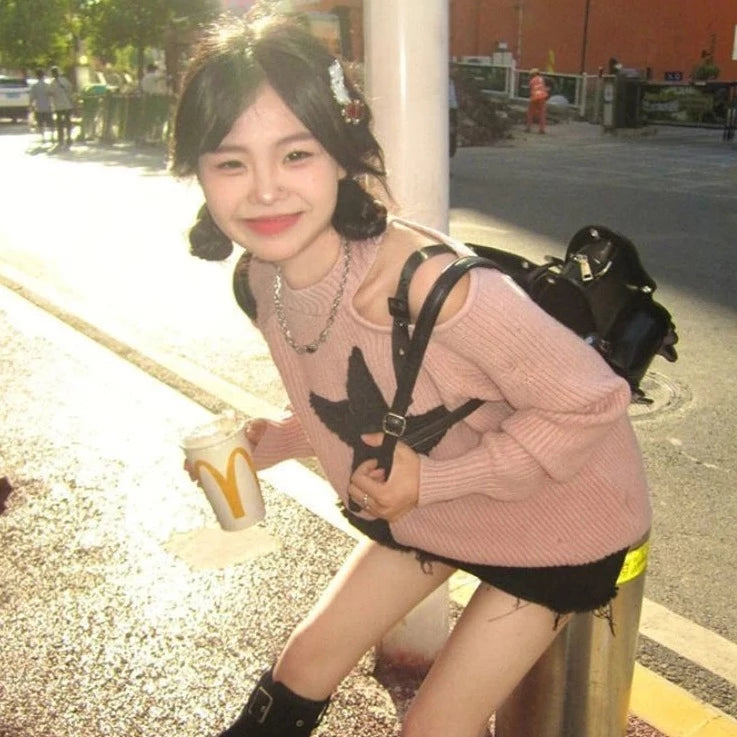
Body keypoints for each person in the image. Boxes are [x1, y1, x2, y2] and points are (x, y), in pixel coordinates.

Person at [171, 12, 651, 737]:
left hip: (562, 519)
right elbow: (377, 397)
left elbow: (590, 402)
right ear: (199, 173)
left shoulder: (434, 287)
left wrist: (433, 483)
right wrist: (277, 440)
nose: (265, 190)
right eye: (230, 163)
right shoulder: (262, 282)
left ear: (341, 157)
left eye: (295, 154)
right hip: (434, 502)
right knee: (301, 665)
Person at [49, 66, 74, 147]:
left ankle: (61, 138)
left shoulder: (52, 83)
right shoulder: (64, 80)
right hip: (67, 104)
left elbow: (50, 93)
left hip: (59, 106)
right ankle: (68, 137)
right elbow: (70, 89)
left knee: (60, 123)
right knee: (68, 121)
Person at [28, 68, 53, 143]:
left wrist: (30, 106)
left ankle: (43, 138)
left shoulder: (34, 86)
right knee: (50, 123)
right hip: (48, 107)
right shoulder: (47, 85)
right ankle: (52, 137)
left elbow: (31, 98)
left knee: (41, 124)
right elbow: (51, 95)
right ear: (43, 75)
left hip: (39, 108)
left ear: (37, 76)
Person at [526, 67, 549, 134]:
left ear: (533, 74)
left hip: (534, 97)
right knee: (542, 114)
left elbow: (530, 88)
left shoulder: (532, 80)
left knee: (530, 113)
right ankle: (542, 129)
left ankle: (528, 128)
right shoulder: (542, 79)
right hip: (542, 97)